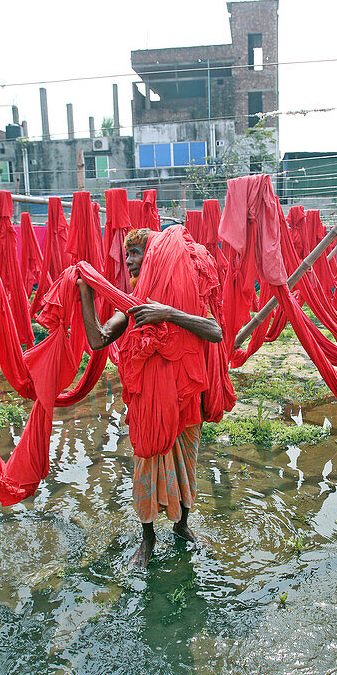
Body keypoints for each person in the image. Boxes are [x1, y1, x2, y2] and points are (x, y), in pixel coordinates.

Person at [76, 227, 224, 568]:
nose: (128, 261)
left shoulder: (187, 298)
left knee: (186, 468)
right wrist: (86, 293)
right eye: (127, 255)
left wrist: (168, 313)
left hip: (186, 404)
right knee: (146, 468)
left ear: (154, 258)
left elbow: (214, 332)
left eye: (136, 254)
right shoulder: (132, 308)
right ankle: (148, 538)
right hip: (149, 407)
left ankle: (182, 526)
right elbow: (98, 340)